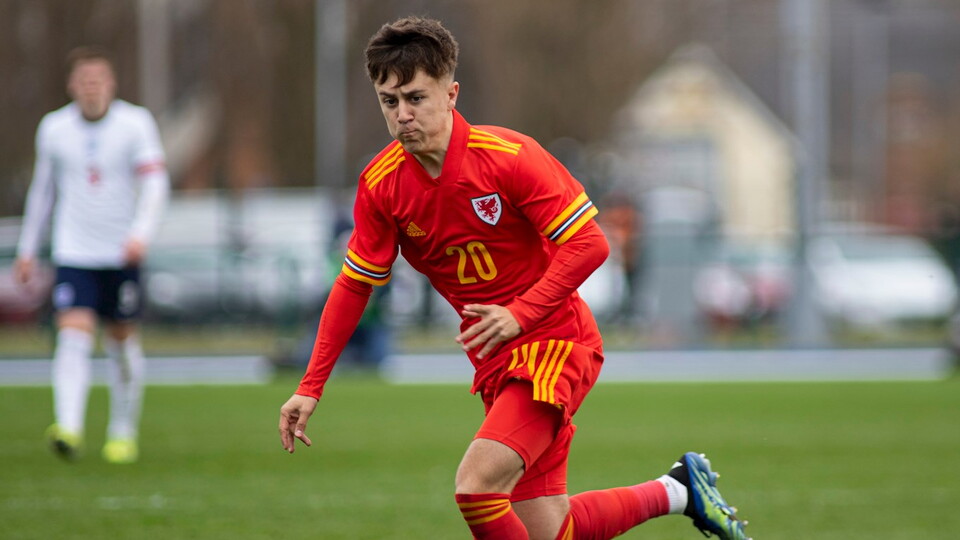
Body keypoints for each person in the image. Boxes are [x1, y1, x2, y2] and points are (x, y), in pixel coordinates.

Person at [278, 17, 750, 540]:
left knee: (476, 488)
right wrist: (310, 386)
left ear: (451, 94)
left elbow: (590, 243)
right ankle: (679, 490)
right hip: (495, 363)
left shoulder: (509, 157)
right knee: (551, 531)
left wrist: (519, 313)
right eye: (389, 101)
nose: (403, 114)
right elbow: (355, 285)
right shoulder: (382, 185)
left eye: (416, 98)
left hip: (554, 344)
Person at [16, 46, 170, 464]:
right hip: (74, 250)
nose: (91, 87)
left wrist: (141, 234)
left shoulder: (135, 123)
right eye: (84, 80)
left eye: (98, 79)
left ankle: (122, 432)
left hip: (122, 253)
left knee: (122, 341)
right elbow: (43, 191)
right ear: (72, 85)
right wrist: (28, 248)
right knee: (72, 334)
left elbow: (155, 184)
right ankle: (68, 426)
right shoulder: (54, 128)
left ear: (111, 83)